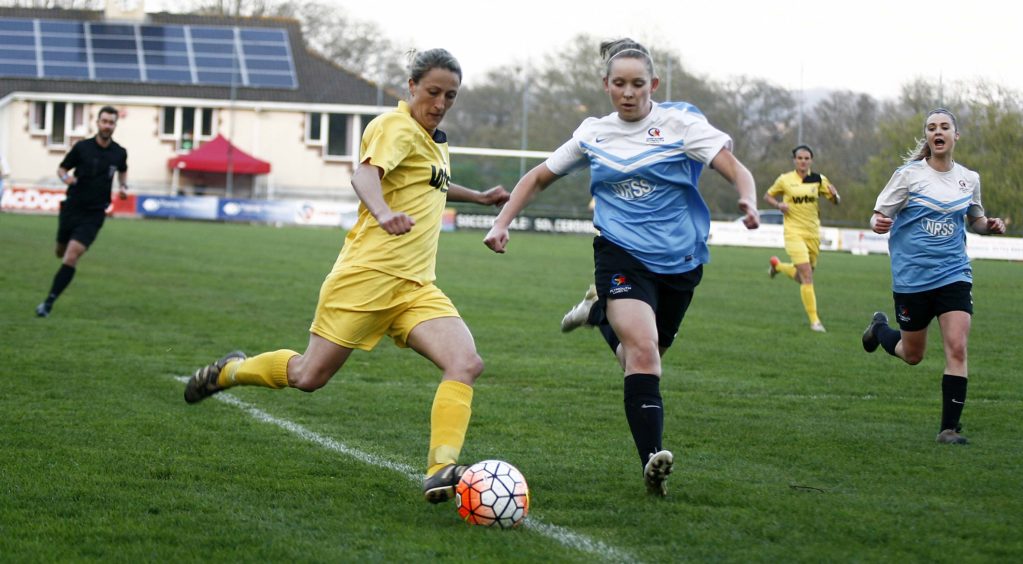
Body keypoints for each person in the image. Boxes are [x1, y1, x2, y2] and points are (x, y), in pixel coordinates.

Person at [183, 48, 510, 504]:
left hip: (415, 286)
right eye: (433, 92)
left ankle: (441, 469)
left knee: (466, 363)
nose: (440, 103)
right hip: (366, 278)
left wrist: (478, 196)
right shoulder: (393, 127)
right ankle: (229, 373)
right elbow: (365, 175)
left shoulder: (434, 138)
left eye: (450, 96)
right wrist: (383, 213)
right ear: (411, 86)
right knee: (307, 376)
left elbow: (429, 181)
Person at [484, 38, 759, 496]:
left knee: (636, 358)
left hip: (681, 259)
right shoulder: (594, 132)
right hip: (620, 253)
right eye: (619, 84)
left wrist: (747, 198)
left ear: (653, 85)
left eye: (637, 84)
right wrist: (501, 222)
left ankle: (598, 314)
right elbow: (537, 177)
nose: (628, 92)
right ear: (606, 86)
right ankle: (652, 460)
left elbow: (735, 168)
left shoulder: (681, 125)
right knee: (645, 352)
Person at [861, 108, 1006, 445]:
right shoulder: (908, 176)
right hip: (912, 277)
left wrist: (990, 226)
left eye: (944, 127)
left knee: (957, 347)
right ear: (926, 137)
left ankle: (949, 429)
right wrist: (877, 223)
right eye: (931, 127)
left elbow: (976, 220)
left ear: (956, 136)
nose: (937, 132)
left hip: (954, 273)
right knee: (912, 355)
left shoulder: (969, 179)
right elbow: (878, 215)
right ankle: (879, 328)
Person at [36, 106, 128, 318]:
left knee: (71, 255)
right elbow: (62, 169)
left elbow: (123, 170)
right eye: (104, 121)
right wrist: (66, 178)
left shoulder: (119, 153)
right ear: (97, 123)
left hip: (94, 213)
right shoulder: (82, 148)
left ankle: (48, 303)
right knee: (60, 251)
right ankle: (51, 295)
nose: (107, 126)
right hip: (72, 208)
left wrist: (123, 187)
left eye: (111, 122)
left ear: (115, 125)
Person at [764, 144, 840, 332]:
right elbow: (768, 196)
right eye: (800, 158)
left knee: (803, 276)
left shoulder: (818, 180)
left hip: (812, 233)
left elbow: (836, 201)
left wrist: (835, 194)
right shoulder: (785, 179)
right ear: (794, 160)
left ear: (811, 161)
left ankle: (778, 266)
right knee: (806, 275)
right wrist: (778, 205)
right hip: (793, 232)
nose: (803, 161)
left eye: (807, 158)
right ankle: (815, 321)